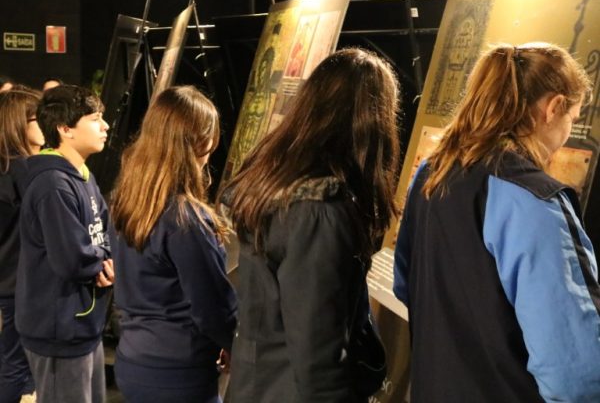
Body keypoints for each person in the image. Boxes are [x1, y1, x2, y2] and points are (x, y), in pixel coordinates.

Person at [393, 42, 600, 402]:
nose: (569, 129)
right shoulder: (535, 201)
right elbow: (575, 373)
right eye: (573, 117)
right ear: (553, 108)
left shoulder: (432, 172)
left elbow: (405, 285)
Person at [223, 47, 402, 402]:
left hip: (259, 385)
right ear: (370, 121)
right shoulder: (317, 212)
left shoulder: (277, 187)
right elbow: (317, 357)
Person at [109, 85, 237, 403]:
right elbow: (211, 306)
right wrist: (234, 344)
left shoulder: (127, 201)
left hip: (133, 360)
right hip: (180, 371)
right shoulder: (186, 218)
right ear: (200, 142)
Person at [15, 84, 114, 403]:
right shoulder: (52, 185)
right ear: (64, 128)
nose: (105, 126)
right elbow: (72, 258)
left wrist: (106, 259)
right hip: (59, 328)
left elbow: (104, 232)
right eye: (95, 118)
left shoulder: (82, 175)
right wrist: (101, 263)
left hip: (83, 324)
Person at [0, 87, 44, 403]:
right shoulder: (26, 171)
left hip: (10, 285)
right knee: (18, 368)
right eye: (37, 118)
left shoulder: (10, 168)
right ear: (19, 123)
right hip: (19, 287)